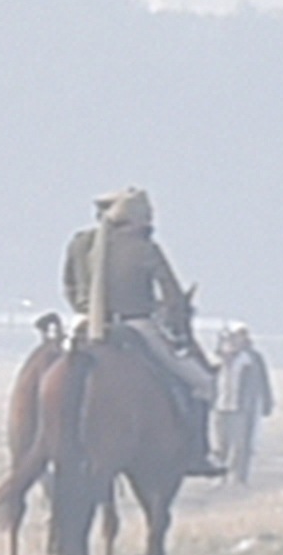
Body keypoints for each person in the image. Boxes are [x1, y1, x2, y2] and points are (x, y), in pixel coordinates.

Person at [62, 187, 219, 476]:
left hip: (81, 323)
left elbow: (69, 285)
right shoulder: (145, 249)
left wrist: (82, 307)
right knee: (203, 385)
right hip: (136, 324)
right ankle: (198, 453)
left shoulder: (80, 243)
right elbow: (172, 296)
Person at [213, 326, 276, 487]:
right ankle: (220, 476)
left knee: (241, 444)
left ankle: (239, 478)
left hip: (241, 407)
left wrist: (267, 403)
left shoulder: (252, 359)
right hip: (220, 406)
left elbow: (263, 381)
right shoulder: (217, 358)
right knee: (221, 444)